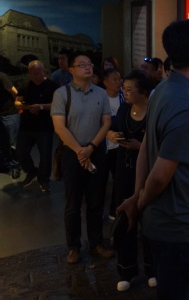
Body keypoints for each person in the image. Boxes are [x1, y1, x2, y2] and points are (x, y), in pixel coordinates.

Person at [117, 19, 189, 299]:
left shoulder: (163, 89)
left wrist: (137, 195)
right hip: (178, 223)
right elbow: (161, 174)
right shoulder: (183, 103)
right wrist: (140, 202)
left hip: (166, 220)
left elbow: (147, 149)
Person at [51, 51, 113, 264]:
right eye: (82, 64)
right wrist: (80, 151)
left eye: (90, 64)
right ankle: (73, 247)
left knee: (96, 201)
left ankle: (96, 243)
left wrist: (91, 148)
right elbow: (59, 127)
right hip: (72, 153)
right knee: (73, 203)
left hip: (96, 151)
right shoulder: (62, 94)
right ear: (71, 69)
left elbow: (106, 122)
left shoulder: (101, 93)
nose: (88, 67)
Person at [106, 69, 155, 292]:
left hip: (148, 172)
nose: (124, 92)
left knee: (150, 219)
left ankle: (153, 269)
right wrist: (113, 136)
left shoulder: (154, 111)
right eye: (123, 89)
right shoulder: (124, 108)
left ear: (143, 91)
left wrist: (140, 146)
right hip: (124, 171)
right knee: (125, 218)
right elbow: (112, 128)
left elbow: (160, 144)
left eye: (128, 89)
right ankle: (126, 270)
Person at [14, 60, 59, 192]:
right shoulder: (25, 85)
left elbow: (57, 104)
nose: (34, 76)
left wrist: (41, 107)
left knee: (45, 155)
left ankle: (44, 180)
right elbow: (17, 102)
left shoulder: (52, 86)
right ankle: (32, 171)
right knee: (20, 152)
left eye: (37, 73)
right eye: (31, 73)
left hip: (45, 126)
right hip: (26, 126)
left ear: (43, 71)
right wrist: (26, 107)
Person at [103, 68, 124, 219]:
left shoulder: (124, 97)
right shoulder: (101, 99)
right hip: (104, 147)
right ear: (105, 82)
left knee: (119, 179)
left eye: (119, 79)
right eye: (114, 79)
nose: (119, 82)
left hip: (120, 146)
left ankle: (114, 210)